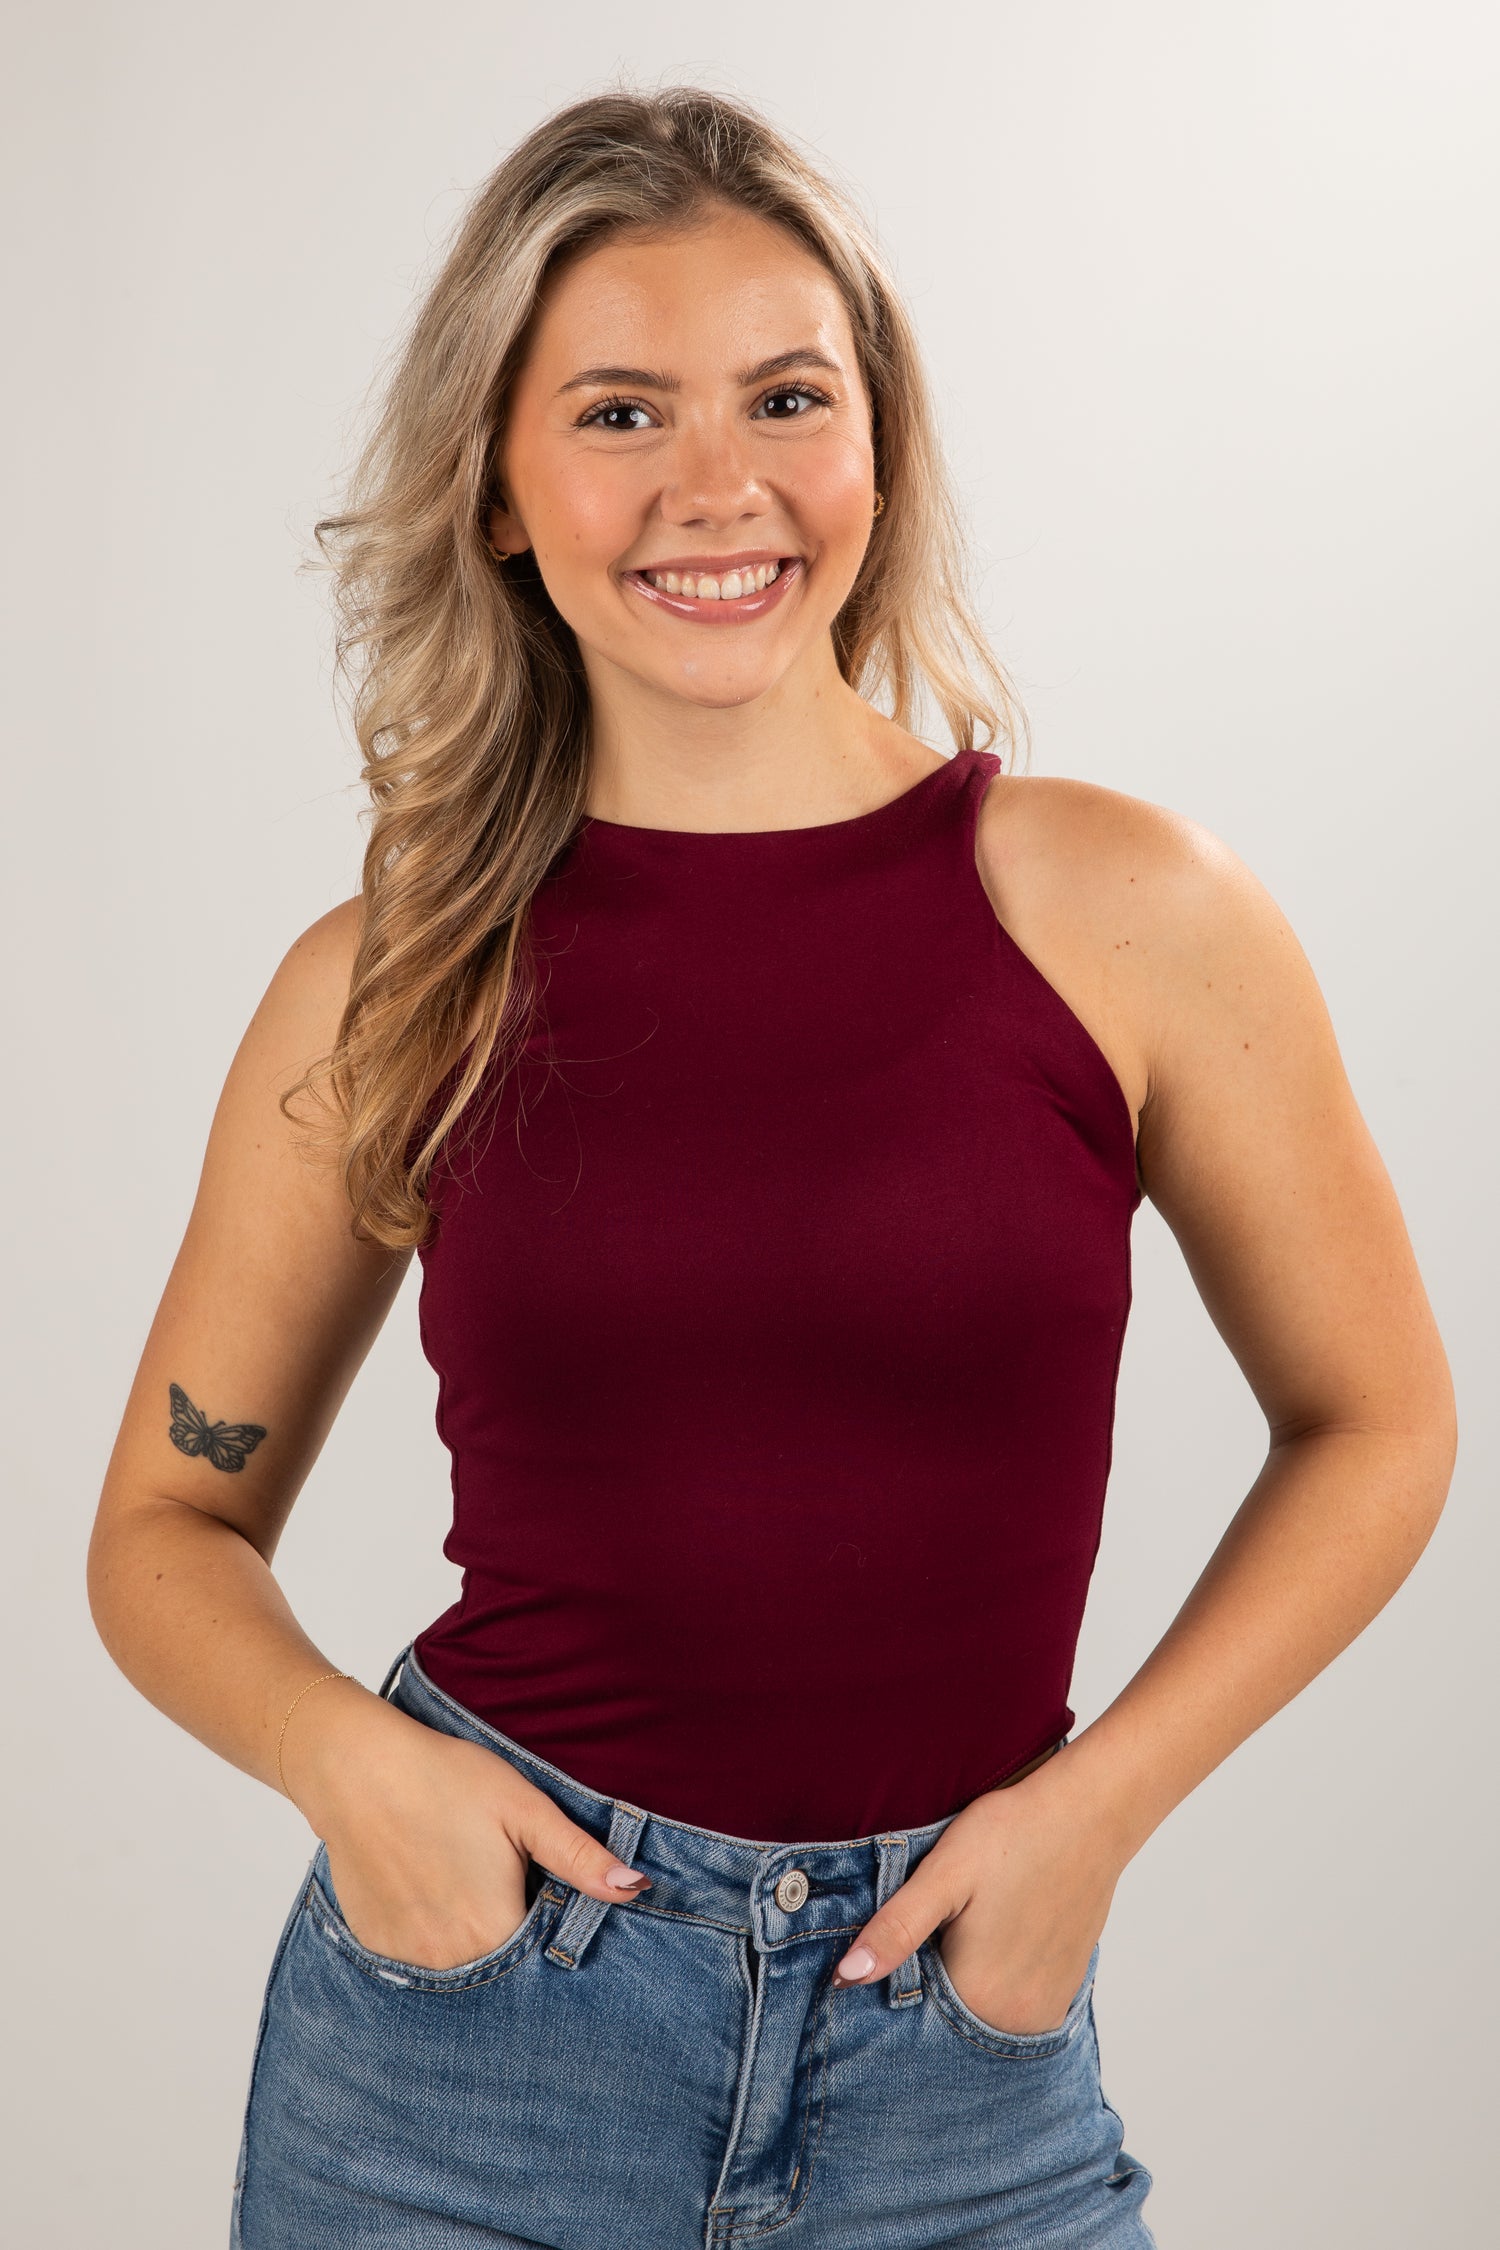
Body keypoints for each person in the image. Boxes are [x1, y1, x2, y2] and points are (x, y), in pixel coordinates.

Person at [86, 85, 1456, 2250]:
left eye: (785, 396)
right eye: (619, 412)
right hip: (472, 2053)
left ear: (876, 448)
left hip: (960, 2052)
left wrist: (1100, 1814)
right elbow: (165, 1529)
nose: (715, 486)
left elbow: (1377, 1420)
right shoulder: (398, 977)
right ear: (504, 495)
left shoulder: (1125, 913)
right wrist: (364, 1775)